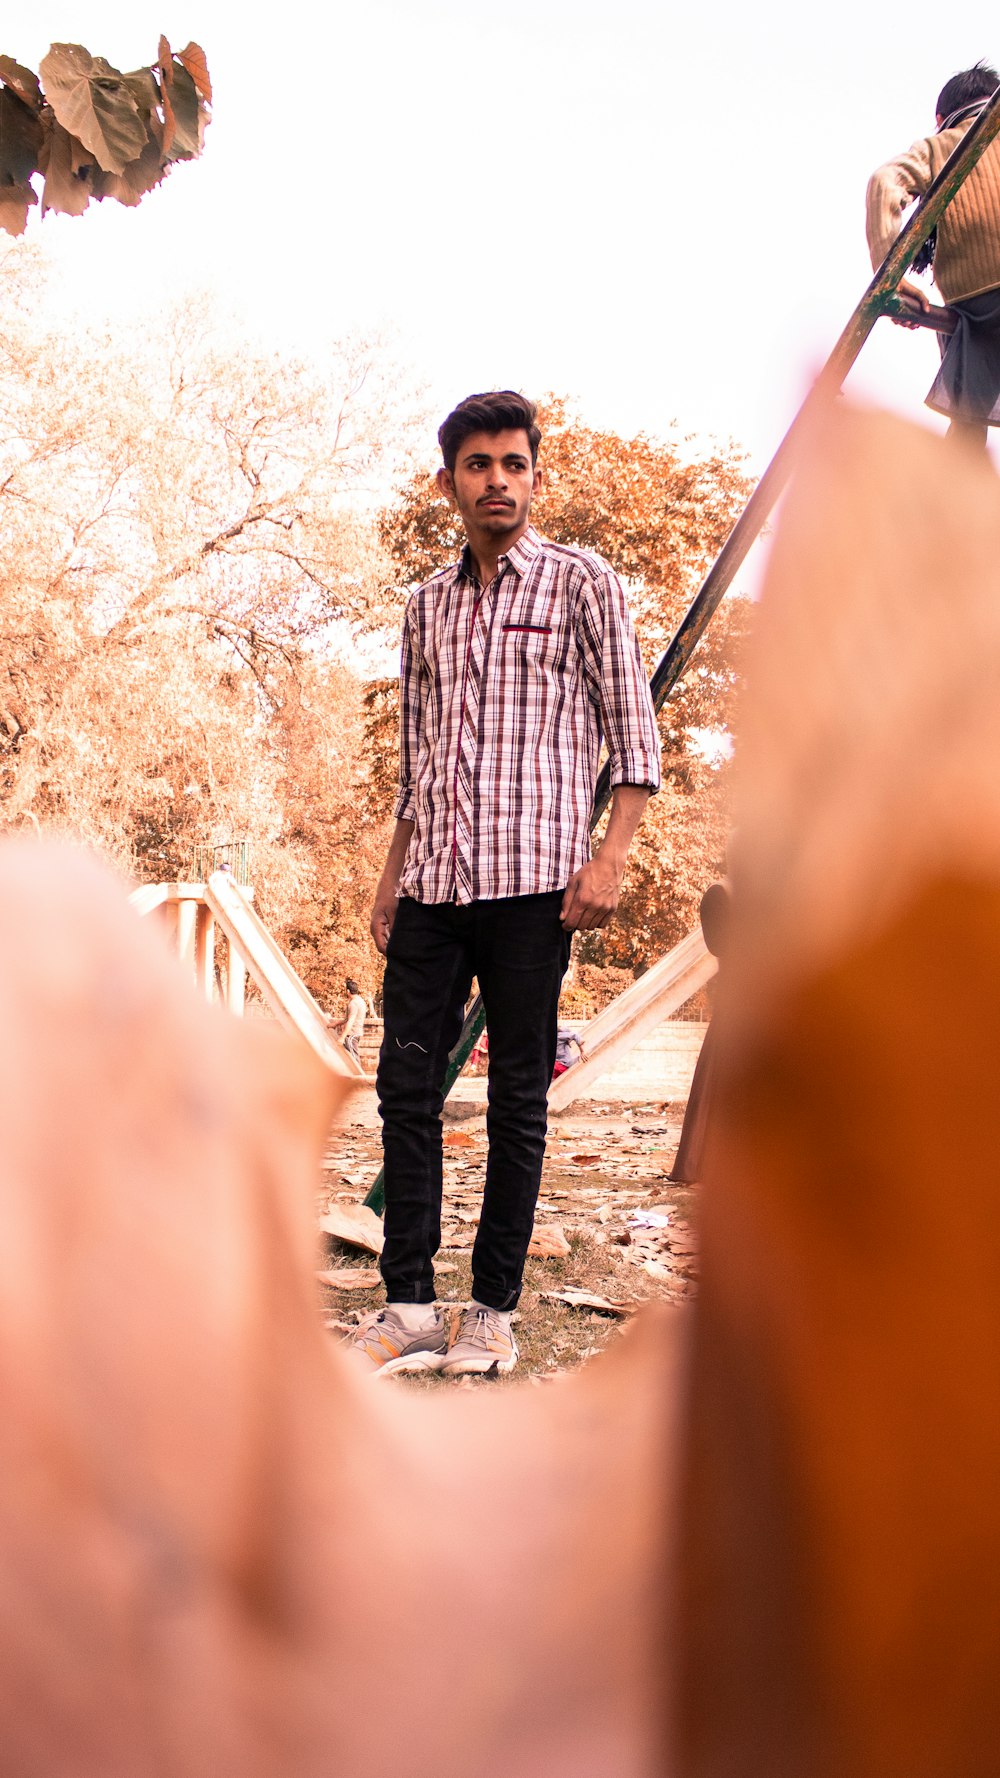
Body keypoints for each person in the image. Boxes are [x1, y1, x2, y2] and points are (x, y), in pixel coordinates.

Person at [354, 389, 661, 1378]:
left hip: (536, 885)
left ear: (534, 474)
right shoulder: (425, 605)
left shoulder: (584, 584)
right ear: (450, 481)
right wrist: (390, 878)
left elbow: (634, 734)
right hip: (435, 883)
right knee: (405, 1084)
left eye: (513, 463)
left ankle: (489, 1311)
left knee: (516, 1095)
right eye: (477, 464)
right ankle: (407, 1305)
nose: (497, 480)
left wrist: (608, 855)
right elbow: (417, 754)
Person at [867, 61, 1000, 448]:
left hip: (975, 308)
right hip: (977, 309)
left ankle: (958, 490)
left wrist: (890, 276)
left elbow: (883, 182)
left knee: (967, 421)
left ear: (940, 117)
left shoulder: (937, 146)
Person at [339, 978, 367, 1063]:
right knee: (349, 1058)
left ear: (348, 991)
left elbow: (350, 1021)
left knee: (354, 1060)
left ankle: (359, 1075)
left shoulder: (353, 1003)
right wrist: (334, 1024)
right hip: (357, 1033)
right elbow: (346, 1019)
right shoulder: (361, 1001)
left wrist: (342, 1037)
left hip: (352, 1034)